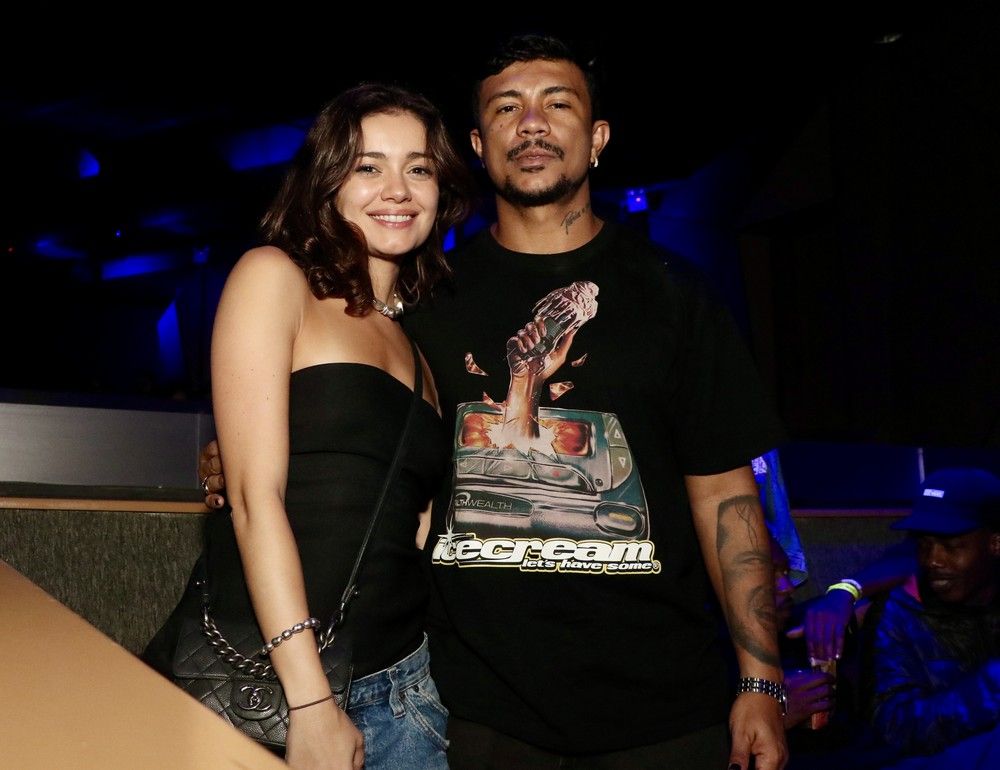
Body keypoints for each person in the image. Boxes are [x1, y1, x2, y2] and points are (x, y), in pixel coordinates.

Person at [202, 33, 788, 769]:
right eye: (508, 108)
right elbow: (352, 434)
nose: (532, 122)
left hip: (665, 710)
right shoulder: (426, 301)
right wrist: (243, 455)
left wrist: (761, 678)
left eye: (558, 104)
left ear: (598, 138)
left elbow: (726, 494)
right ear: (479, 146)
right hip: (475, 711)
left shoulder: (678, 295)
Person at [146, 82, 473, 770]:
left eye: (417, 168)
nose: (397, 189)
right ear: (328, 182)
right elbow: (254, 499)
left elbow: (411, 524)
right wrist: (311, 700)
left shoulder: (421, 346)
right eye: (367, 166)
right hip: (278, 689)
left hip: (406, 691)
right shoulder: (276, 278)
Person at [861, 467, 1000, 768]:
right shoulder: (899, 614)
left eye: (951, 546)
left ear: (995, 544)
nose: (933, 560)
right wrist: (990, 686)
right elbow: (893, 728)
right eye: (924, 545)